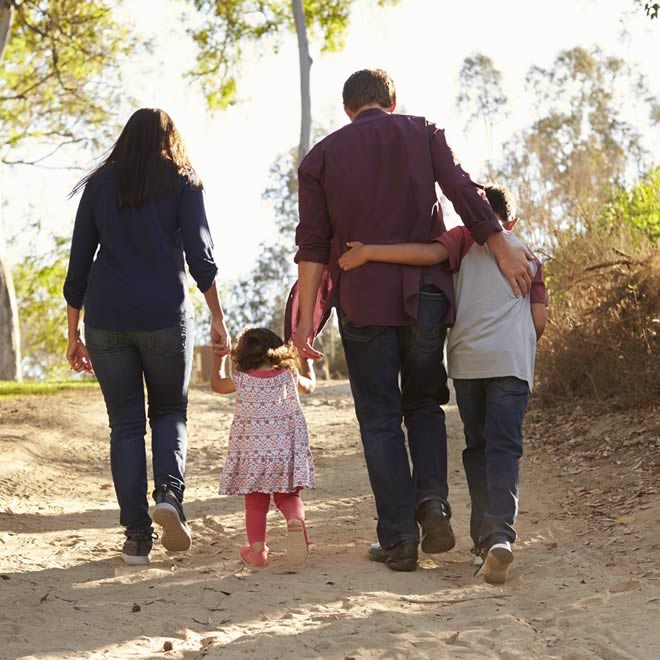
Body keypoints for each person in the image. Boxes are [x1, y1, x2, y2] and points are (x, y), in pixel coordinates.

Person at [292, 68, 534, 572]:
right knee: (424, 406)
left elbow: (312, 247)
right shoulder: (423, 133)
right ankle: (433, 505)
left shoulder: (321, 158)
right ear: (392, 101)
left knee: (379, 419)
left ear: (347, 109)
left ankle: (400, 539)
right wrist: (501, 247)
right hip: (426, 298)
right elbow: (466, 194)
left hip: (363, 302)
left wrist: (302, 326)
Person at [338, 183, 547, 584]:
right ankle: (498, 536)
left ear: (472, 214)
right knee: (504, 448)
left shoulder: (464, 237)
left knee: (478, 447)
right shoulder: (530, 257)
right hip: (512, 365)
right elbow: (538, 323)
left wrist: (367, 252)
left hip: (468, 365)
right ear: (513, 220)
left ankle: (482, 542)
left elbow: (425, 255)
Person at [63, 108, 230, 566]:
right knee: (170, 412)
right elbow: (201, 256)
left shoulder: (99, 185)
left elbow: (78, 263)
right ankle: (170, 499)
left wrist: (72, 331)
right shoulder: (183, 181)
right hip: (164, 314)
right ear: (169, 138)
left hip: (107, 317)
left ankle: (137, 537)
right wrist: (218, 317)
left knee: (125, 425)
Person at [211, 328, 316, 568]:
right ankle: (295, 519)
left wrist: (219, 357)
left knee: (256, 502)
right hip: (285, 451)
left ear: (243, 354)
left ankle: (257, 552)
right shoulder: (288, 374)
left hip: (253, 453)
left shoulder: (241, 378)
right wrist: (307, 364)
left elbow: (217, 384)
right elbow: (309, 387)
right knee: (288, 496)